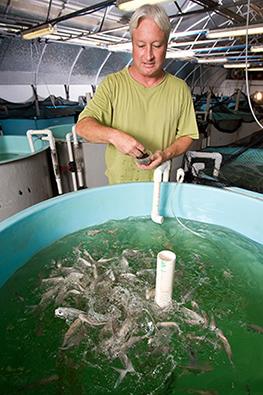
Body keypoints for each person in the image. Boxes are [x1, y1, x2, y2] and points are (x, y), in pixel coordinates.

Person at [76, 4, 199, 184]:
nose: (148, 55)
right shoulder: (113, 84)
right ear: (132, 43)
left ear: (166, 44)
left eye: (157, 45)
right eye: (141, 45)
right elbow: (83, 127)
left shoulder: (179, 89)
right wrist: (114, 136)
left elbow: (188, 135)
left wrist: (165, 154)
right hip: (120, 189)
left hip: (160, 186)